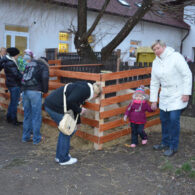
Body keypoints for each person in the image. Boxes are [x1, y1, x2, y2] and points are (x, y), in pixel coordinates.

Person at [150, 40, 192, 157]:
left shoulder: (175, 57)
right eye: (154, 49)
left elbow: (187, 74)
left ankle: (173, 146)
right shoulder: (155, 62)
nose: (156, 51)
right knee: (164, 119)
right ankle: (165, 143)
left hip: (178, 93)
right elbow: (154, 82)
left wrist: (186, 93)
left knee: (174, 120)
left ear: (164, 46)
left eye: (158, 48)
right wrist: (153, 100)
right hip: (165, 95)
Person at [44, 81, 101, 165]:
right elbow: (71, 102)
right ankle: (63, 159)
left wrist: (77, 122)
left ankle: (60, 155)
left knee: (67, 130)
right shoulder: (85, 91)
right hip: (54, 106)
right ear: (96, 95)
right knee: (67, 131)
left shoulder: (85, 88)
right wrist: (80, 110)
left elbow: (75, 103)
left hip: (52, 104)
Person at [21, 51, 49, 144]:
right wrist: (45, 90)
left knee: (27, 115)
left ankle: (25, 137)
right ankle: (36, 139)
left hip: (25, 91)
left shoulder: (30, 64)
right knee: (36, 116)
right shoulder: (43, 66)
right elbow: (45, 78)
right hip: (35, 92)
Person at [0, 47, 23, 125]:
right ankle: (14, 120)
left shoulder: (8, 61)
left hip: (11, 83)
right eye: (17, 55)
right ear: (14, 55)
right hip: (14, 84)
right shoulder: (11, 63)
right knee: (14, 102)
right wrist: (24, 76)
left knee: (12, 102)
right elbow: (16, 75)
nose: (17, 56)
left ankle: (9, 117)